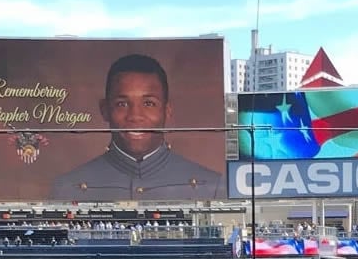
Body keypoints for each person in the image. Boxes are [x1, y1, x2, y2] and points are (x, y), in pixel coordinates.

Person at [48, 54, 226, 200]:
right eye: (122, 104)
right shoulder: (67, 187)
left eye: (149, 103)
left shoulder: (211, 185)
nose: (135, 116)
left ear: (167, 110)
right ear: (105, 110)